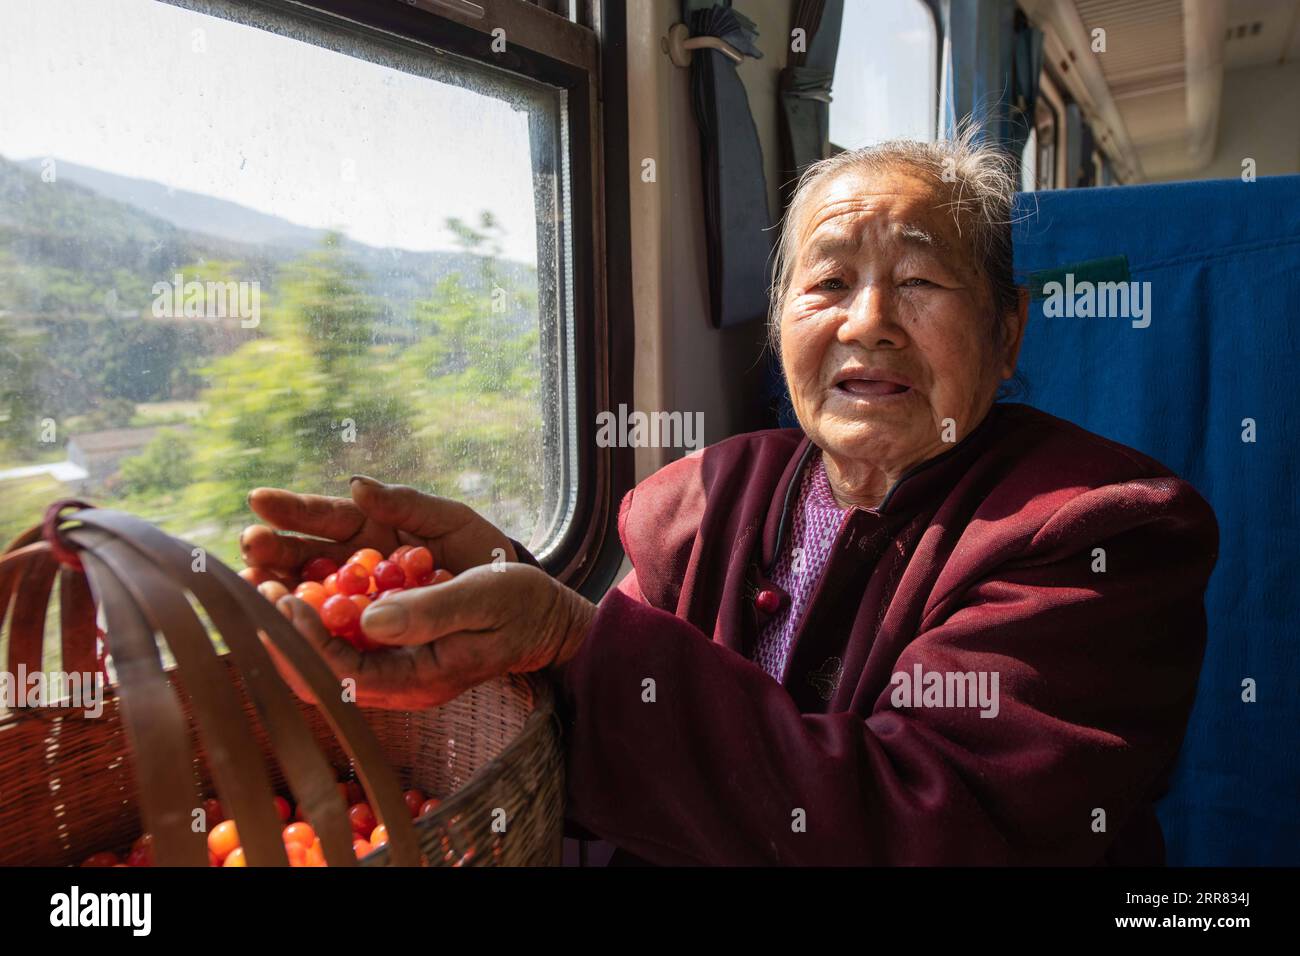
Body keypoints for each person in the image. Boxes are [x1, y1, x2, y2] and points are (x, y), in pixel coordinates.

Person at [241, 129, 1217, 865]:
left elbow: (934, 822)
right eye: (827, 282)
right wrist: (483, 580)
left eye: (919, 279)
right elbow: (599, 697)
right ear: (781, 327)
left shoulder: (1104, 528)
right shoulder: (701, 497)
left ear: (1007, 334)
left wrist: (566, 633)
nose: (867, 322)